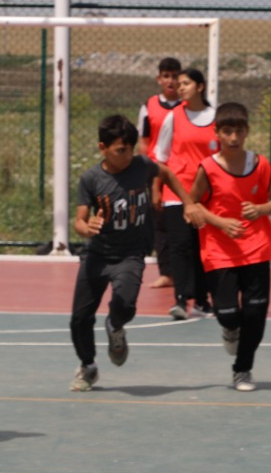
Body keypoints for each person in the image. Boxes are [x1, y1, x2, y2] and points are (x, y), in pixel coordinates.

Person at [68, 114, 193, 391]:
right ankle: (88, 366)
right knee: (79, 318)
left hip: (131, 255)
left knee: (124, 305)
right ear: (103, 148)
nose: (127, 156)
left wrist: (188, 203)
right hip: (97, 255)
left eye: (130, 149)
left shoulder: (142, 166)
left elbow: (168, 173)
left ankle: (115, 326)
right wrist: (86, 227)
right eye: (120, 150)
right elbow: (79, 220)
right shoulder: (91, 178)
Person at [185, 102, 271, 392]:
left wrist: (261, 208)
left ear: (247, 132)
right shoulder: (207, 168)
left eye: (238, 131)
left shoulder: (261, 164)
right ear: (217, 133)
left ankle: (242, 369)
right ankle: (230, 327)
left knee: (256, 312)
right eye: (227, 131)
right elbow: (191, 205)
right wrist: (219, 222)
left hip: (257, 247)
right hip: (220, 250)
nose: (233, 137)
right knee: (228, 313)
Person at [152, 66, 217, 320]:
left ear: (200, 87)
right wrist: (156, 188)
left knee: (202, 248)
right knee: (179, 247)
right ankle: (180, 300)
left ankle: (202, 300)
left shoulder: (215, 117)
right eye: (178, 84)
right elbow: (161, 156)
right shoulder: (174, 116)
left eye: (186, 83)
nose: (180, 87)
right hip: (176, 193)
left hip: (205, 196)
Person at [136, 56, 184, 290]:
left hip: (183, 171)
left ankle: (189, 271)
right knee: (160, 222)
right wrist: (145, 170)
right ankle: (167, 273)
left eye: (175, 76)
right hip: (157, 172)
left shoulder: (190, 106)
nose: (171, 81)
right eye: (167, 76)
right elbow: (144, 141)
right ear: (159, 79)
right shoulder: (149, 105)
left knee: (184, 221)